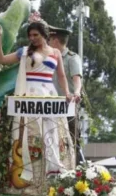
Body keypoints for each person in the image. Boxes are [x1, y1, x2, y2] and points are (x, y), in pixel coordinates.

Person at [0, 18, 75, 195]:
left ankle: (54, 175)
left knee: (53, 134)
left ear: (44, 34)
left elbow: (61, 76)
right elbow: (1, 59)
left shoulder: (55, 53)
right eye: (30, 35)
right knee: (29, 135)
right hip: (29, 95)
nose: (33, 38)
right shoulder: (24, 52)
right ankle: (28, 179)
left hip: (49, 96)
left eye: (36, 35)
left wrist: (67, 92)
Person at [48, 25, 82, 163]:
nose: (48, 43)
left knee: (71, 139)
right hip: (49, 106)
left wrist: (77, 92)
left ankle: (76, 170)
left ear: (56, 41)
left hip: (67, 105)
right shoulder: (49, 57)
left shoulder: (71, 58)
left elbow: (77, 79)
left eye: (49, 39)